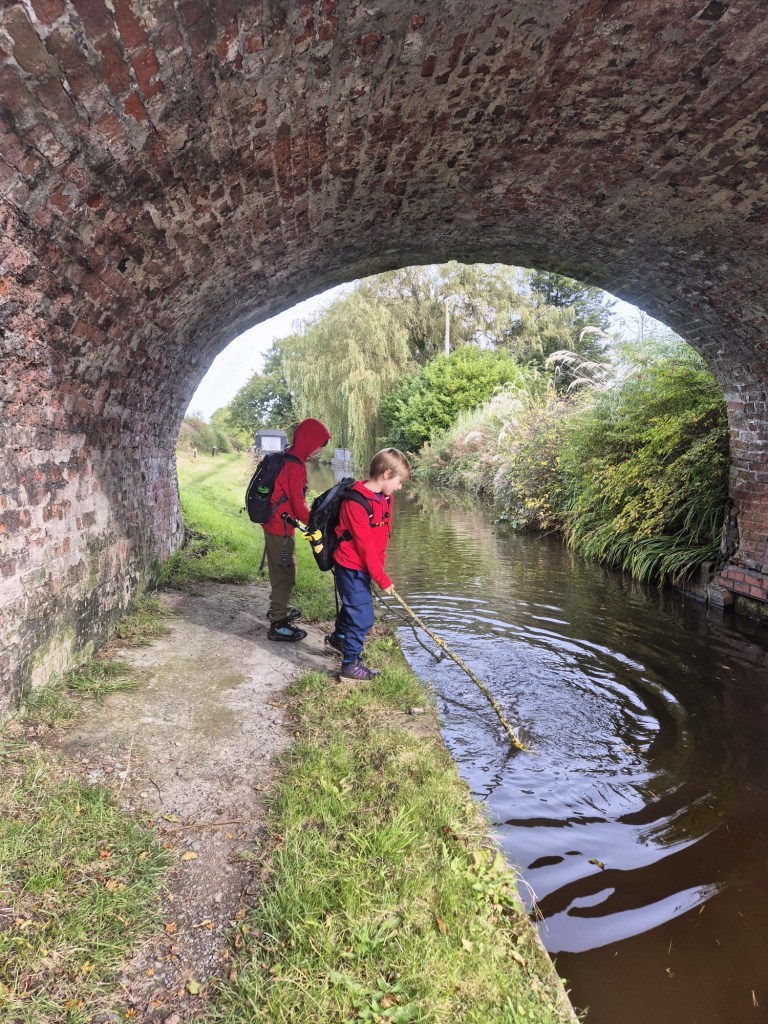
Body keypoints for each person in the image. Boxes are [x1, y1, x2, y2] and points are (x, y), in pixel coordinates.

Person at [325, 447, 410, 679]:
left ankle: (339, 639)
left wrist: (377, 570)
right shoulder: (355, 503)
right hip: (350, 566)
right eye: (399, 481)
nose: (399, 487)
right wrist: (381, 578)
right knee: (363, 617)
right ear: (386, 474)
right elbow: (363, 545)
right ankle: (350, 665)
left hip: (365, 567)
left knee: (354, 606)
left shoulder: (385, 498)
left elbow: (381, 537)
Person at [263, 417, 331, 641]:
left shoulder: (291, 457)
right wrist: (317, 523)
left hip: (278, 524)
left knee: (281, 569)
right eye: (318, 445)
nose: (318, 450)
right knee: (285, 573)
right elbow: (298, 504)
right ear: (309, 440)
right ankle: (278, 624)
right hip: (279, 528)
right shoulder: (294, 466)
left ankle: (278, 609)